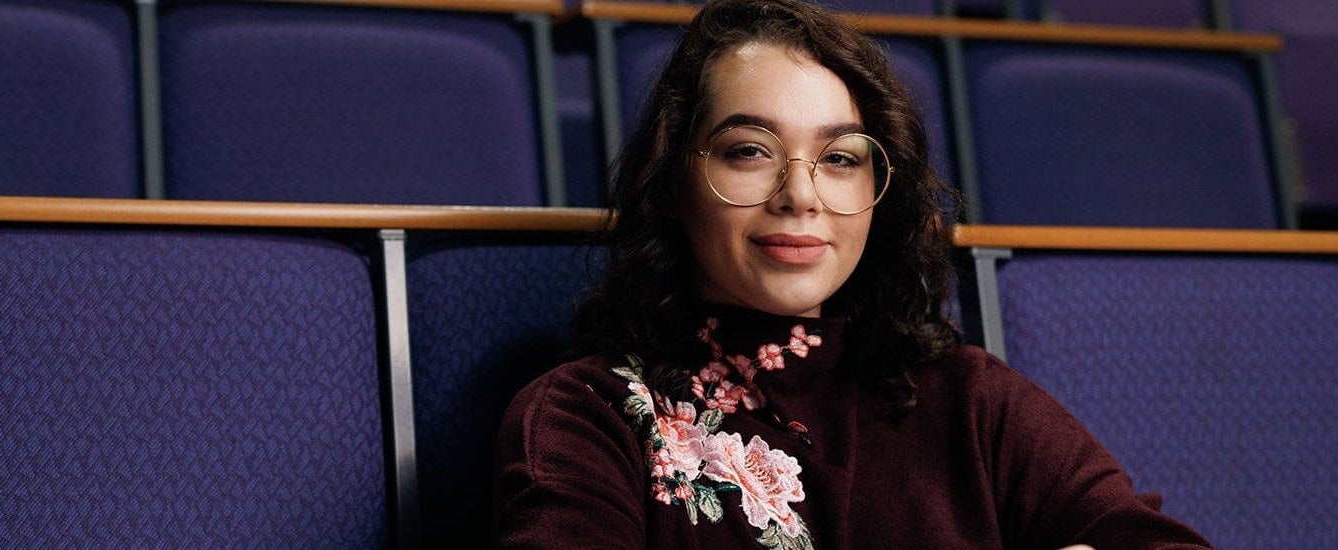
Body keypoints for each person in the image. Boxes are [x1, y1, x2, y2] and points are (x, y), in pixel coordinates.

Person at [493, 0, 1210, 547]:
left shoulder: (968, 397)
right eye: (749, 151)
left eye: (840, 159)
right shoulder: (588, 414)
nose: (800, 195)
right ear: (677, 182)